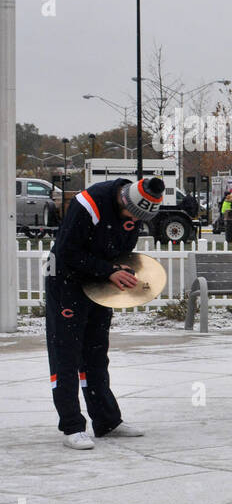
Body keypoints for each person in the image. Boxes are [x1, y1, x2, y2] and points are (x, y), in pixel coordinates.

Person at [45, 176, 165, 448]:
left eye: (138, 222)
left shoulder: (136, 214)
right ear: (123, 200)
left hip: (100, 282)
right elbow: (66, 253)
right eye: (130, 217)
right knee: (66, 355)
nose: (133, 224)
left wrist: (122, 271)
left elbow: (121, 252)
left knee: (96, 353)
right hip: (65, 281)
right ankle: (72, 426)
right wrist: (108, 270)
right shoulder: (87, 205)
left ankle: (107, 421)